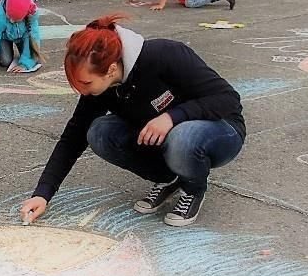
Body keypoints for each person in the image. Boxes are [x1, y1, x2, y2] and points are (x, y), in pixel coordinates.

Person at [19, 14, 245, 227]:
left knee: (182, 135)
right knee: (99, 132)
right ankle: (170, 178)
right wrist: (43, 194)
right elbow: (73, 138)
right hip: (168, 138)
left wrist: (171, 117)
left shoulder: (165, 55)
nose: (82, 90)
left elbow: (228, 99)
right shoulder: (103, 88)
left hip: (220, 131)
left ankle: (193, 188)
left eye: (86, 83)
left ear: (111, 69)